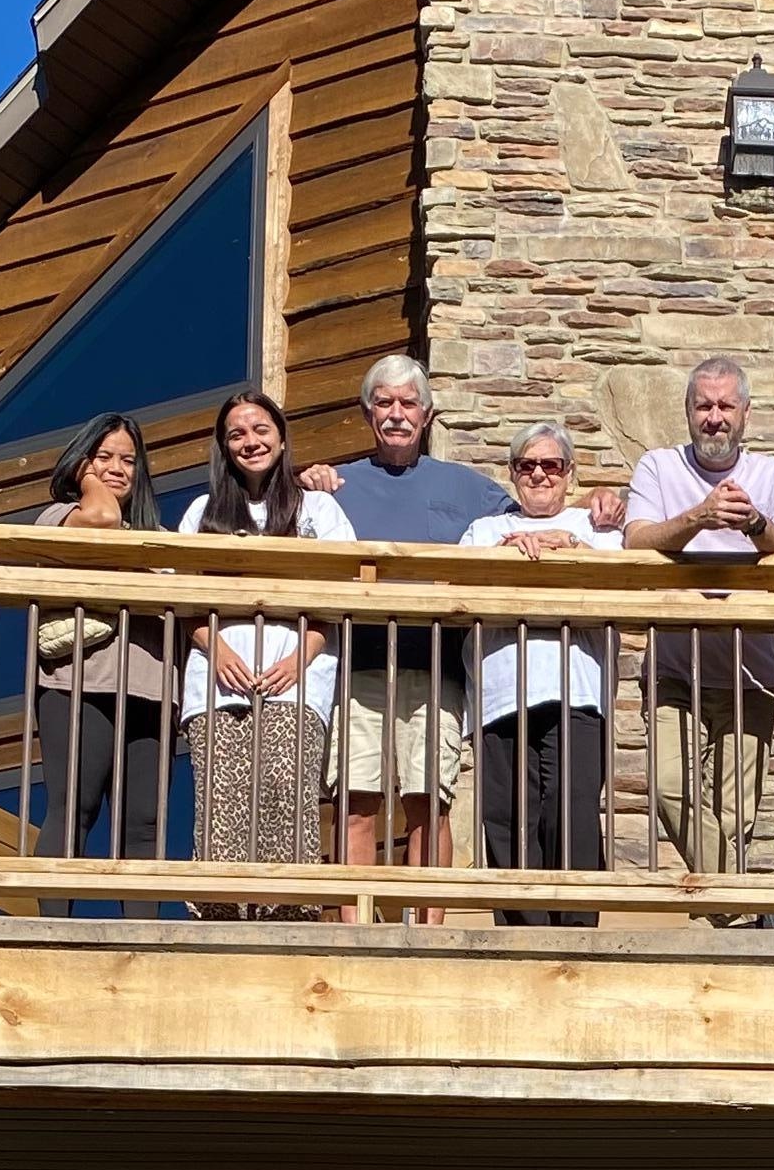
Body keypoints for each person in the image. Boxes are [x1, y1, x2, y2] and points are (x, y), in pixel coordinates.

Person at [298, 357, 505, 868]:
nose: (396, 413)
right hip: (355, 668)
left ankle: (427, 918)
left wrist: (594, 509)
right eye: (384, 402)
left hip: (436, 670)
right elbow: (284, 522)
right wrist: (304, 485)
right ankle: (355, 918)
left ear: (427, 415)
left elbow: (526, 517)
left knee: (430, 805)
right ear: (367, 413)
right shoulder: (334, 485)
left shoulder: (467, 488)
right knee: (354, 805)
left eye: (408, 403)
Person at [623, 357, 774, 901]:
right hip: (673, 664)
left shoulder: (773, 474)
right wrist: (699, 517)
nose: (714, 417)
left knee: (736, 812)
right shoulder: (658, 466)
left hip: (750, 669)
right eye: (704, 405)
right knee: (668, 789)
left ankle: (730, 913)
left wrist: (755, 524)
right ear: (687, 411)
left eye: (726, 405)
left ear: (745, 413)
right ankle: (741, 906)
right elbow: (636, 540)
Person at [176, 389, 345, 900]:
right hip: (218, 686)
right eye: (237, 434)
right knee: (221, 807)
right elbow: (181, 599)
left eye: (260, 429)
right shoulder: (203, 512)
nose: (250, 441)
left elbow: (343, 594)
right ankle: (220, 925)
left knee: (286, 801)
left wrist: (299, 659)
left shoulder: (318, 509)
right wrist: (218, 651)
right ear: (224, 448)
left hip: (296, 683)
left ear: (281, 437)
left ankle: (289, 920)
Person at [463, 425, 610, 923]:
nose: (540, 474)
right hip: (500, 694)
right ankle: (520, 936)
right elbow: (465, 588)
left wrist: (569, 546)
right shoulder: (486, 531)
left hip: (577, 692)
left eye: (552, 465)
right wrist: (512, 556)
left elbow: (619, 590)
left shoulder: (595, 528)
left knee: (573, 808)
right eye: (527, 465)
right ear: (512, 474)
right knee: (505, 816)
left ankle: (576, 933)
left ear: (570, 473)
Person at [32, 412, 170, 899]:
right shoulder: (61, 516)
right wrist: (87, 480)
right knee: (75, 808)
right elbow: (103, 520)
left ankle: (143, 938)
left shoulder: (160, 537)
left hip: (152, 689)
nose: (117, 468)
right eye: (103, 457)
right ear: (81, 463)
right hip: (77, 682)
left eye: (128, 461)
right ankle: (50, 933)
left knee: (144, 825)